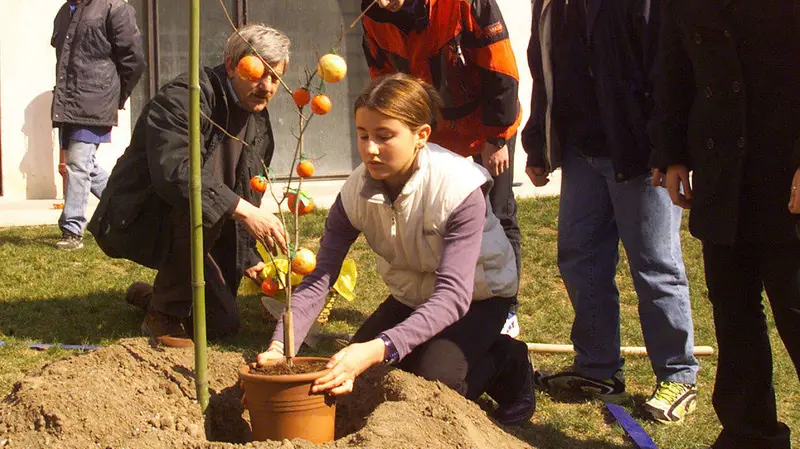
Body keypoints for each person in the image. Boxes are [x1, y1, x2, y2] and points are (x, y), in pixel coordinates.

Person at [257, 73, 534, 426]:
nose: (370, 148)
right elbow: (320, 278)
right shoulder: (354, 194)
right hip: (413, 295)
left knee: (432, 381)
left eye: (384, 136)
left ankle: (508, 362)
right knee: (361, 378)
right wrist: (281, 346)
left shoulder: (458, 188)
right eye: (363, 135)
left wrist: (378, 347)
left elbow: (453, 297)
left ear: (421, 136)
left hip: (478, 297)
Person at [521, 0, 699, 423]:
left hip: (638, 153)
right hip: (582, 150)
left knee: (655, 266)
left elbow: (668, 67)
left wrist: (669, 149)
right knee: (579, 259)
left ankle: (678, 375)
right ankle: (598, 369)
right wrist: (538, 143)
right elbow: (544, 70)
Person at [651, 1, 800, 446]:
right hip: (723, 176)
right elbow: (673, 69)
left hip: (786, 174)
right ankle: (750, 433)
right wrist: (672, 152)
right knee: (734, 312)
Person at [89, 24, 290, 348]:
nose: (266, 87)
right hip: (149, 212)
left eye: (275, 79)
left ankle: (153, 297)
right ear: (230, 65)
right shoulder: (186, 97)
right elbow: (176, 173)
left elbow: (247, 189)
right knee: (198, 203)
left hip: (207, 227)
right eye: (258, 74)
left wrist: (249, 257)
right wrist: (244, 212)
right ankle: (163, 314)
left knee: (222, 323)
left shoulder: (258, 120)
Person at [360, 0, 523, 337]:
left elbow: (500, 66)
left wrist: (498, 136)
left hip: (483, 124)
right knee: (429, 212)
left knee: (498, 212)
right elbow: (383, 76)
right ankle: (442, 298)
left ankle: (504, 307)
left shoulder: (465, 4)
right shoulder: (372, 15)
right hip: (430, 130)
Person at [51, 0, 146, 250]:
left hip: (95, 101)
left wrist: (116, 96)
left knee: (78, 164)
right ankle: (132, 211)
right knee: (85, 166)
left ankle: (72, 230)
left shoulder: (114, 8)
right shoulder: (63, 12)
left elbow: (134, 60)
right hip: (67, 102)